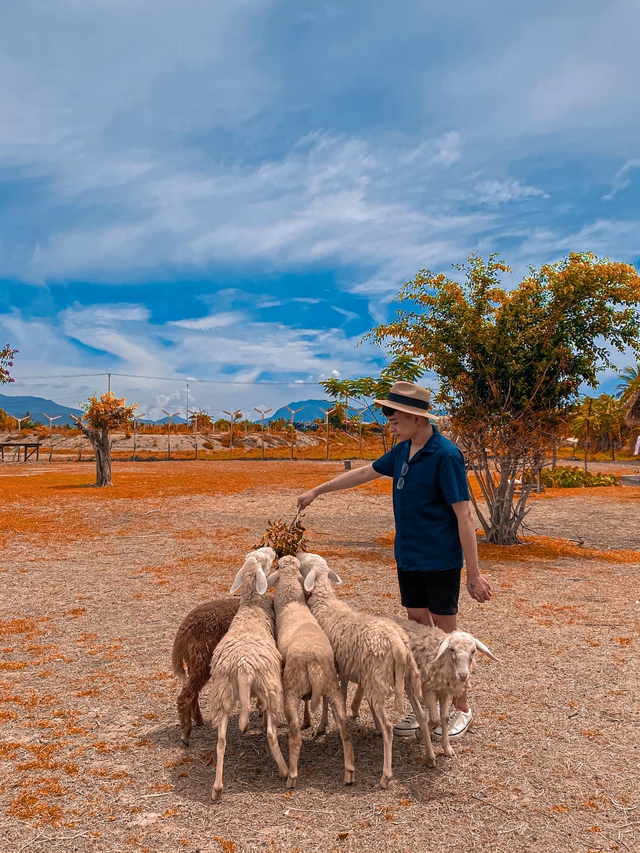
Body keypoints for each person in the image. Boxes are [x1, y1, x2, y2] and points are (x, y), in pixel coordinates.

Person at [297, 380, 492, 740]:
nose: (388, 421)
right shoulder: (402, 451)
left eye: (393, 415)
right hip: (409, 558)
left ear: (416, 417)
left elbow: (464, 516)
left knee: (447, 638)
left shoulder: (445, 456)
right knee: (416, 636)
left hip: (440, 561)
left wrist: (474, 574)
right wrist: (318, 490)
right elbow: (363, 473)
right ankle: (424, 710)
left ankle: (461, 708)